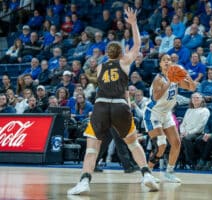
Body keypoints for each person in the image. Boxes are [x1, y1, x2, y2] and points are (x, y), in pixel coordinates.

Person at [67, 8, 159, 195]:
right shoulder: (124, 62)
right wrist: (133, 23)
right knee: (133, 144)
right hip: (120, 106)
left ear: (107, 54)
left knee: (92, 149)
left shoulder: (100, 66)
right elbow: (138, 45)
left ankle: (84, 181)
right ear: (121, 53)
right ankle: (147, 174)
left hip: (101, 105)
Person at [143, 54, 196, 183]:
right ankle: (147, 173)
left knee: (177, 143)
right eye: (164, 60)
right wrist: (170, 82)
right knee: (161, 145)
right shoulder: (158, 79)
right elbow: (156, 97)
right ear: (160, 64)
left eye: (169, 60)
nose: (167, 62)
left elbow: (192, 87)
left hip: (166, 114)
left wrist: (185, 74)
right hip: (153, 113)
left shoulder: (176, 76)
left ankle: (169, 172)